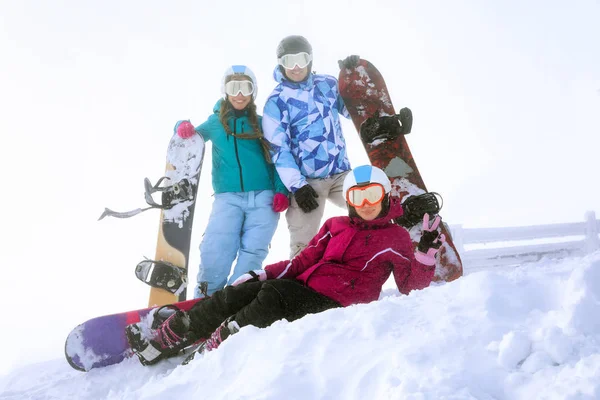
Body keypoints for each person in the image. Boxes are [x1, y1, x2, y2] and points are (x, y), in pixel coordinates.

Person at [131, 165, 445, 366]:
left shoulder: (396, 237)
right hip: (304, 288)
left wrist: (425, 255)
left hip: (337, 303)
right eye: (357, 196)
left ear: (385, 196)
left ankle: (222, 340)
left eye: (372, 195)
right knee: (240, 291)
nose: (365, 204)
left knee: (271, 296)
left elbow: (410, 286)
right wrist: (261, 272)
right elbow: (304, 260)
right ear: (349, 199)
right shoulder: (336, 224)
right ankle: (172, 335)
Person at [175, 65, 289, 298]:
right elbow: (193, 137)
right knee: (217, 247)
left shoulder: (261, 123)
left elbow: (277, 158)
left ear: (252, 91)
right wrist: (180, 126)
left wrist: (281, 190)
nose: (239, 93)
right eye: (233, 87)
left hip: (264, 197)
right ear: (225, 91)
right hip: (228, 198)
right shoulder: (215, 123)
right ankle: (205, 300)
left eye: (245, 88)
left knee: (253, 253)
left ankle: (235, 299)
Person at [261, 35, 356, 259]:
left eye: (300, 60)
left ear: (310, 60)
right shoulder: (276, 101)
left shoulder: (328, 85)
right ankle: (300, 288)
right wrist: (298, 185)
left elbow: (352, 111)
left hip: (341, 173)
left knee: (369, 210)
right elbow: (278, 149)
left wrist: (352, 78)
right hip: (307, 182)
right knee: (303, 244)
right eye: (288, 61)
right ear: (280, 64)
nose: (295, 67)